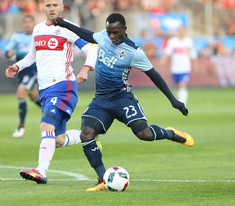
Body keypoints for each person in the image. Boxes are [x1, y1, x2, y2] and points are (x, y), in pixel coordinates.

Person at [52, 13, 195, 191]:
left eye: (116, 32)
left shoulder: (134, 52)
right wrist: (64, 23)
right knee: (86, 133)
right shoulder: (103, 36)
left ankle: (171, 134)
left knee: (144, 134)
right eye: (109, 32)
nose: (112, 36)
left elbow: (154, 76)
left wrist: (174, 101)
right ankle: (102, 179)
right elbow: (87, 35)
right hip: (102, 99)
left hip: (122, 98)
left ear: (124, 30)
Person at [5, 0, 98, 184]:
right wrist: (17, 66)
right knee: (57, 139)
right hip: (45, 89)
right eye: (48, 5)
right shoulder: (38, 29)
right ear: (43, 8)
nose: (52, 8)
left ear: (62, 7)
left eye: (55, 5)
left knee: (45, 127)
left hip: (63, 85)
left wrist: (86, 69)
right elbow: (32, 55)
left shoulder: (69, 29)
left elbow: (92, 50)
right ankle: (89, 135)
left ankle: (41, 172)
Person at [5, 14, 41, 138]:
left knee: (21, 92)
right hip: (22, 71)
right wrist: (9, 54)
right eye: (25, 22)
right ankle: (53, 113)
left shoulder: (38, 35)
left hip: (34, 69)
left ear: (33, 23)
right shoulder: (17, 36)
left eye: (29, 22)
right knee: (33, 95)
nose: (27, 24)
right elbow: (8, 51)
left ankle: (21, 127)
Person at [161, 26, 197, 106]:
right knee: (177, 86)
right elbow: (167, 52)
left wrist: (195, 65)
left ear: (185, 31)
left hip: (185, 68)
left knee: (183, 84)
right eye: (180, 31)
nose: (181, 32)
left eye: (183, 31)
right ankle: (180, 100)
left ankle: (183, 103)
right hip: (175, 68)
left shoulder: (189, 41)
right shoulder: (172, 41)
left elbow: (193, 54)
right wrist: (163, 61)